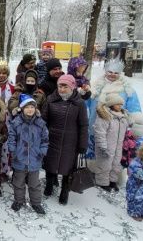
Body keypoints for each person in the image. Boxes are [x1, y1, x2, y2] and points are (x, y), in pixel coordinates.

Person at [42, 74, 89, 205]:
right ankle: (49, 186)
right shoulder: (51, 99)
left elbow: (83, 125)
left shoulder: (79, 103)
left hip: (71, 141)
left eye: (65, 86)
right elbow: (43, 120)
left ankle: (64, 191)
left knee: (68, 168)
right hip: (52, 138)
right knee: (50, 164)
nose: (62, 89)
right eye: (60, 86)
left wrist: (83, 144)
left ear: (72, 87)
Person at [86, 58, 142, 159]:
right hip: (95, 126)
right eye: (110, 72)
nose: (112, 75)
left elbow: (134, 110)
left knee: (112, 156)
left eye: (116, 73)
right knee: (94, 154)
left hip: (117, 129)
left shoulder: (128, 90)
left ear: (120, 73)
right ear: (105, 71)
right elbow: (86, 104)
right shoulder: (95, 86)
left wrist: (135, 126)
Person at [7, 94, 49, 214]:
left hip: (35, 159)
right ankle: (19, 200)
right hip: (19, 158)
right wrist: (13, 151)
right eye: (27, 107)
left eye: (32, 107)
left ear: (35, 109)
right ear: (22, 109)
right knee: (18, 182)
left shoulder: (40, 124)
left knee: (34, 184)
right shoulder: (16, 123)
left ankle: (36, 203)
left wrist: (42, 151)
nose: (30, 109)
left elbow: (45, 139)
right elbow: (11, 138)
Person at [93, 94, 129, 192]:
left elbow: (127, 129)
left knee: (116, 163)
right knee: (105, 163)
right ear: (111, 105)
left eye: (121, 104)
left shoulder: (123, 117)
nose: (120, 106)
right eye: (117, 104)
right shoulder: (105, 116)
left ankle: (112, 180)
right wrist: (102, 146)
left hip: (118, 145)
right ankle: (102, 182)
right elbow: (100, 132)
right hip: (106, 145)